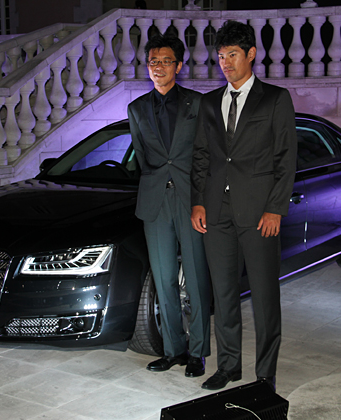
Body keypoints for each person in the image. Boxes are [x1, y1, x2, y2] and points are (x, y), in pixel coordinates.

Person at [190, 20, 297, 391]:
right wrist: (198, 203)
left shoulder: (275, 99)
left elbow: (286, 157)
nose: (225, 63)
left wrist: (276, 208)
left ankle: (265, 373)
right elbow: (201, 157)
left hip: (259, 213)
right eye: (221, 56)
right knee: (223, 294)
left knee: (265, 297)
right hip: (216, 213)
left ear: (251, 54)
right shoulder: (208, 102)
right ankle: (228, 366)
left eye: (232, 55)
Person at [128, 34, 211, 377]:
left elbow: (206, 156)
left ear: (178, 65)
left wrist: (202, 201)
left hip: (190, 200)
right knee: (163, 280)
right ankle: (173, 350)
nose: (158, 67)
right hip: (155, 202)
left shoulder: (198, 104)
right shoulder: (136, 109)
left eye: (165, 61)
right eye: (153, 61)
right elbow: (142, 156)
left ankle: (198, 352)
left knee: (196, 277)